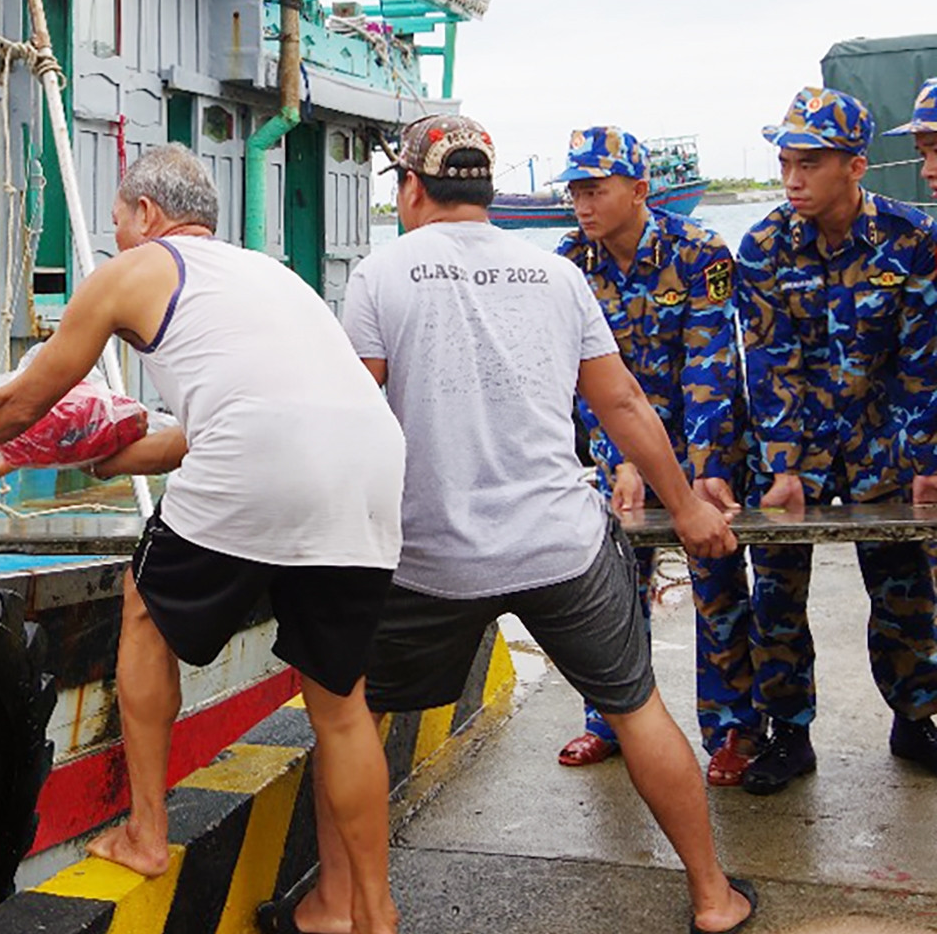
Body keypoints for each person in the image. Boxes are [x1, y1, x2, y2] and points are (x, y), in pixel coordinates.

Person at [0, 145, 408, 934]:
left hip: (262, 457)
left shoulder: (136, 270)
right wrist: (106, 453)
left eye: (119, 222)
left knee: (144, 605)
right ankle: (372, 916)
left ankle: (146, 831)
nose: (118, 237)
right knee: (340, 703)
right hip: (371, 461)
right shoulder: (267, 276)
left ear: (146, 215)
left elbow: (28, 399)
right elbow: (215, 428)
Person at [317, 114, 756, 934]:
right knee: (638, 709)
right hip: (561, 541)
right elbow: (620, 402)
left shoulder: (381, 274)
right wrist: (688, 503)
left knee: (355, 715)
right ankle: (712, 897)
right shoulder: (554, 277)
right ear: (486, 188)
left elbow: (350, 412)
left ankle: (340, 908)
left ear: (412, 188)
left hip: (428, 556)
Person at [734, 86, 937, 792]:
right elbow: (769, 362)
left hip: (884, 445)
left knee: (905, 588)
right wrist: (784, 464)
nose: (792, 179)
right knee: (778, 594)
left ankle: (917, 719)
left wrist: (923, 461)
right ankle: (789, 735)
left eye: (809, 164)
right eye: (786, 162)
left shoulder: (911, 239)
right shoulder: (762, 246)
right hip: (795, 450)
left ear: (854, 166)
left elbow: (919, 362)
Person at [553, 126, 758, 786]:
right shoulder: (568, 261)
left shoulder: (701, 251)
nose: (582, 204)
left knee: (717, 584)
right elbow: (580, 377)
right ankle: (605, 720)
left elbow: (711, 364)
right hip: (620, 455)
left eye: (595, 189)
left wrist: (704, 474)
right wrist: (622, 460)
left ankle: (730, 730)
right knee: (610, 590)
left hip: (705, 441)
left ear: (639, 190)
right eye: (575, 190)